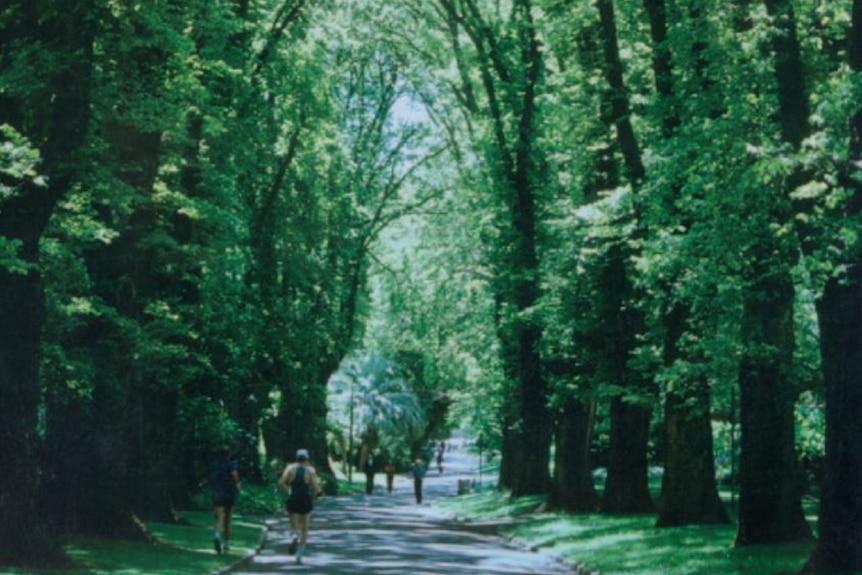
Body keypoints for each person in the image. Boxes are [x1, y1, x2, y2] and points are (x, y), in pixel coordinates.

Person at [278, 448, 322, 565]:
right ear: (306, 459)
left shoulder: (290, 468)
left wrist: (288, 490)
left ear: (297, 458)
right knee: (305, 528)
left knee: (294, 523)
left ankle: (293, 535)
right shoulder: (310, 471)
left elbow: (281, 482)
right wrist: (319, 493)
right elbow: (316, 487)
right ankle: (299, 555)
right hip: (305, 499)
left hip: (294, 498)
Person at [208, 445, 241, 554]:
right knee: (228, 519)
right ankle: (227, 544)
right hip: (229, 493)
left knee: (219, 517)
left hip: (217, 492)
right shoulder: (231, 463)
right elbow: (234, 474)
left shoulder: (213, 464)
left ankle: (217, 534)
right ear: (229, 454)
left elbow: (210, 478)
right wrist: (237, 485)